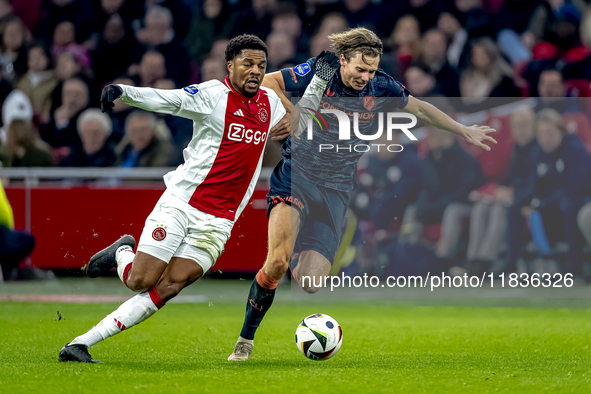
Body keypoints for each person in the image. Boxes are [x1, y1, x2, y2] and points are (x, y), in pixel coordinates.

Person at [228, 27, 497, 361]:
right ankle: (246, 339)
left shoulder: (381, 85)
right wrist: (290, 111)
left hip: (337, 189)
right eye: (360, 69)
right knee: (276, 262)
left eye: (370, 70)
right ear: (343, 60)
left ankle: (297, 247)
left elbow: (421, 109)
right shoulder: (318, 70)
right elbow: (269, 82)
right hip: (297, 177)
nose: (365, 77)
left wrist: (462, 130)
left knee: (309, 283)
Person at [58, 34, 288, 363]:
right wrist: (125, 92)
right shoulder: (211, 95)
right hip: (182, 203)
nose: (255, 70)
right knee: (141, 280)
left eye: (261, 66)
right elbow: (168, 100)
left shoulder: (270, 103)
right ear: (230, 66)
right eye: (248, 63)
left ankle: (80, 344)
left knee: (169, 286)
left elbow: (297, 118)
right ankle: (123, 252)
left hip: (219, 221)